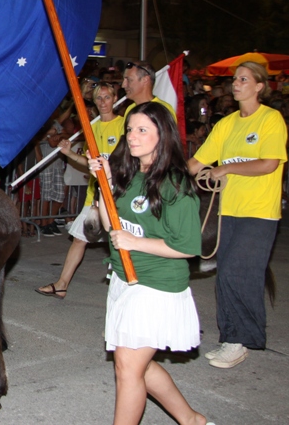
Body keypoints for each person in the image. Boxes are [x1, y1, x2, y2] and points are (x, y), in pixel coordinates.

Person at [87, 102, 211, 425]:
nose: (132, 136)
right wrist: (104, 182)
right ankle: (192, 419)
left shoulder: (175, 183)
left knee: (128, 367)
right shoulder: (130, 174)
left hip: (156, 285)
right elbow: (111, 227)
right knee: (136, 364)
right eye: (130, 129)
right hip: (125, 279)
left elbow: (187, 247)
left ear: (163, 135)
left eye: (142, 130)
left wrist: (136, 243)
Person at [188, 62, 287, 369]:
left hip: (259, 211)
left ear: (259, 86)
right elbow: (195, 163)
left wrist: (226, 168)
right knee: (226, 274)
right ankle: (231, 337)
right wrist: (165, 171)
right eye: (235, 79)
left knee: (239, 273)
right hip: (228, 210)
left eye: (244, 79)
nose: (236, 83)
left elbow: (269, 163)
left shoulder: (270, 119)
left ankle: (240, 340)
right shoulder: (226, 124)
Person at [37, 82, 124, 298]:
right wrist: (68, 153)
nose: (103, 102)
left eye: (107, 97)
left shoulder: (124, 125)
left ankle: (127, 285)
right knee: (79, 239)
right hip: (95, 196)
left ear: (115, 99)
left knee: (121, 241)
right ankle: (62, 284)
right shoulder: (91, 127)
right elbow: (89, 162)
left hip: (118, 194)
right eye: (99, 98)